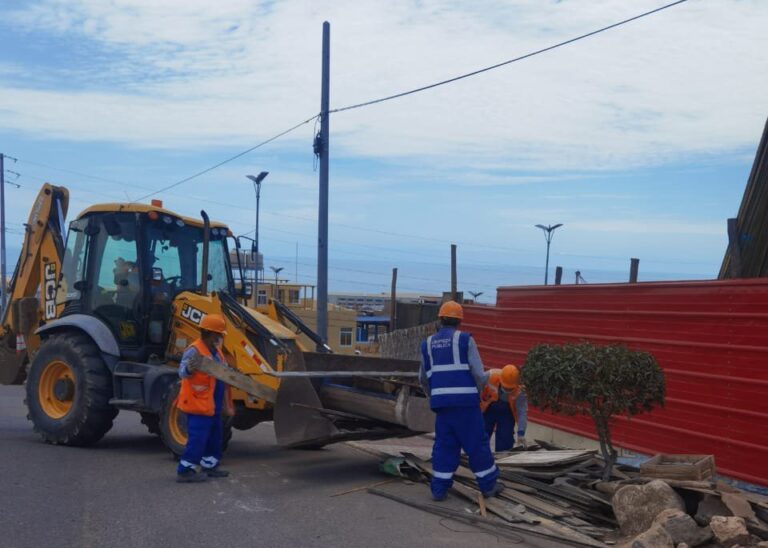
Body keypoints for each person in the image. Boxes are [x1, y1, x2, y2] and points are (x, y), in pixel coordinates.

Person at [419, 301, 502, 501]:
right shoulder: (465, 340)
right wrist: (484, 385)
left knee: (445, 446)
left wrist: (435, 396)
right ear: (460, 321)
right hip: (465, 405)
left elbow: (422, 378)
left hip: (442, 406)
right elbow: (479, 374)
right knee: (476, 444)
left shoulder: (427, 344)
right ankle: (489, 486)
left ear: (440, 319)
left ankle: (438, 490)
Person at [175, 313, 233, 483]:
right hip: (197, 403)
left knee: (215, 436)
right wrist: (190, 369)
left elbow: (223, 373)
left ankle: (210, 465)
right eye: (219, 334)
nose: (221, 337)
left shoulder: (217, 352)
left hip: (212, 404)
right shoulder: (195, 350)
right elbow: (182, 372)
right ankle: (185, 470)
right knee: (198, 438)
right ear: (209, 333)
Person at [481, 364, 528, 452]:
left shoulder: (521, 391)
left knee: (505, 441)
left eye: (510, 389)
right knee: (481, 435)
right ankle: (480, 458)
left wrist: (521, 433)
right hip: (488, 408)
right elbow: (476, 387)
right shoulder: (490, 376)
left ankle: (501, 459)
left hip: (506, 413)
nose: (507, 390)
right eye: (505, 387)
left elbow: (522, 412)